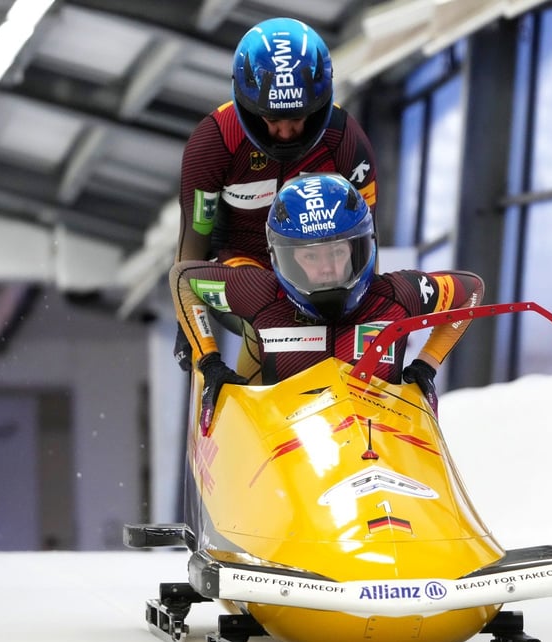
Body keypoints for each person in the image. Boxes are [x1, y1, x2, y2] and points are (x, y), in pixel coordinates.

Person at [170, 174, 484, 434]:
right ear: (284, 257)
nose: (326, 269)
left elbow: (469, 291)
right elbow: (184, 279)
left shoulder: (397, 294)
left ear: (360, 248)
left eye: (337, 253)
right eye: (310, 256)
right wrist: (209, 362)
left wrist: (426, 365)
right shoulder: (260, 294)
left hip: (379, 447)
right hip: (287, 457)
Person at [174, 17, 379, 383]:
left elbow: (366, 241)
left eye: (298, 118)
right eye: (271, 119)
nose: (285, 132)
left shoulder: (346, 143)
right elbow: (194, 238)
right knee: (269, 314)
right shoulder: (214, 143)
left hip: (321, 270)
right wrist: (188, 324)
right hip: (242, 262)